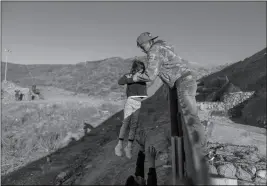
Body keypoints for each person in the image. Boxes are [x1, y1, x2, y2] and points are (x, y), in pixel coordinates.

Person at [123, 32, 209, 158]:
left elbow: (150, 75)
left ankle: (202, 153)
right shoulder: (162, 48)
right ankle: (183, 150)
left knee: (190, 117)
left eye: (142, 46)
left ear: (148, 43)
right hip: (182, 82)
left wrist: (136, 77)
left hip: (183, 82)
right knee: (178, 117)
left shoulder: (154, 51)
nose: (142, 49)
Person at [115, 59, 148, 159]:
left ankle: (128, 147)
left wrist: (138, 77)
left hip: (138, 103)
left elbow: (150, 78)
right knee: (126, 123)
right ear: (135, 68)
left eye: (142, 69)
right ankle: (119, 145)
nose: (141, 70)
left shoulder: (143, 77)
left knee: (134, 125)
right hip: (130, 101)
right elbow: (120, 82)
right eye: (140, 69)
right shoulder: (129, 75)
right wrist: (131, 79)